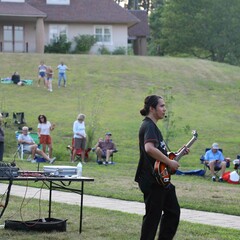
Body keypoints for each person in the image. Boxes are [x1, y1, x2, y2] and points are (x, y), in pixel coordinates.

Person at [135, 95, 189, 240]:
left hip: (160, 180)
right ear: (152, 108)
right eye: (162, 106)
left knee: (172, 212)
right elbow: (149, 149)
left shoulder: (153, 127)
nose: (165, 109)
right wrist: (170, 162)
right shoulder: (148, 126)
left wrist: (177, 156)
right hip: (152, 180)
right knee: (153, 218)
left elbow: (160, 156)